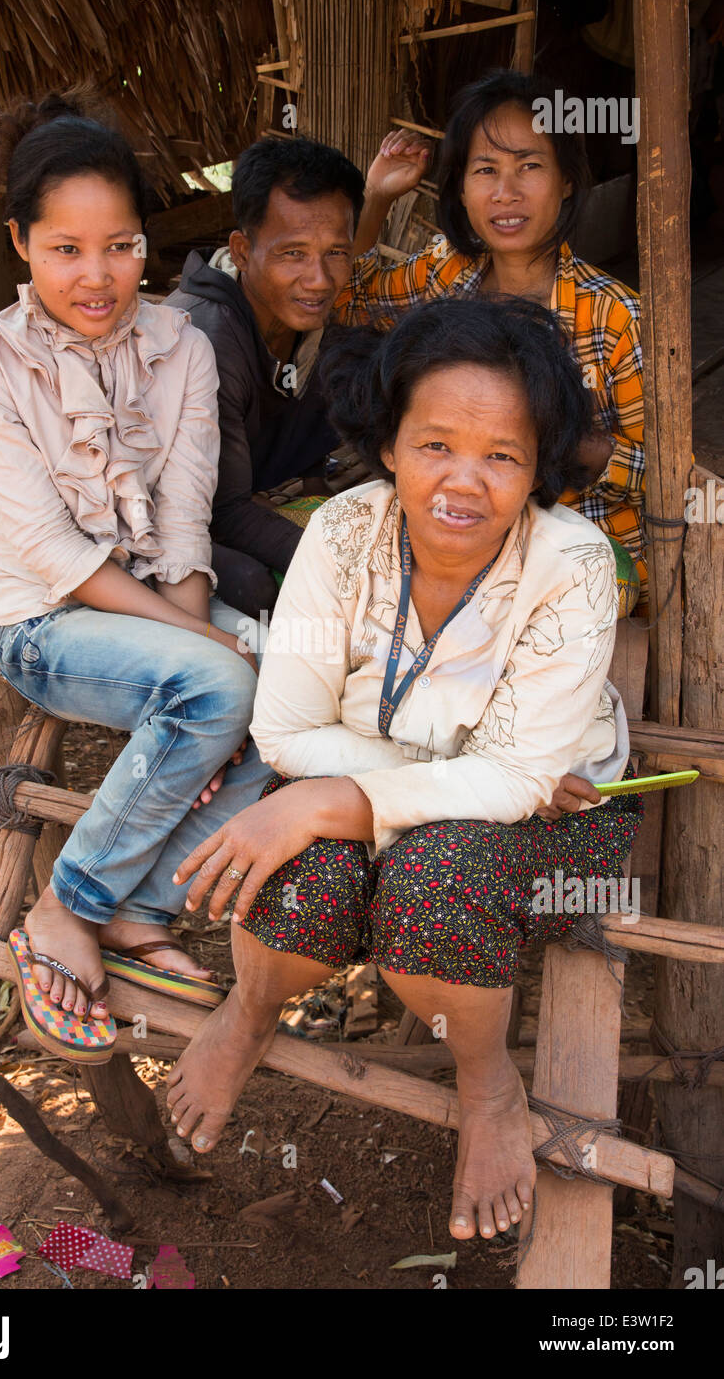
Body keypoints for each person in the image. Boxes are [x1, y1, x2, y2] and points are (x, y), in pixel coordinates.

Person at [165, 296, 644, 1242]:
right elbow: (287, 726)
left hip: (556, 822)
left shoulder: (576, 565)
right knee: (297, 880)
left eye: (502, 456)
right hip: (479, 790)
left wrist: (341, 795)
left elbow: (515, 790)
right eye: (435, 445)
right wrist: (411, 786)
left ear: (539, 465)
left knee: (431, 887)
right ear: (390, 445)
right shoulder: (342, 533)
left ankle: (488, 1085)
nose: (463, 481)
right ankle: (251, 1010)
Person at [0, 95, 273, 1062]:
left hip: (159, 601)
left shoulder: (184, 345)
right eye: (66, 250)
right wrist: (201, 648)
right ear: (21, 243)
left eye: (121, 245)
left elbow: (182, 516)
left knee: (300, 697)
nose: (97, 277)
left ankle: (136, 909)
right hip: (45, 623)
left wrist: (195, 628)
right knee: (221, 679)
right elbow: (50, 552)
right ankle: (62, 910)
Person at [334, 69, 646, 614]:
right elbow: (344, 294)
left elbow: (659, 477)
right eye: (486, 170)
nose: (506, 193)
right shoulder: (447, 273)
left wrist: (552, 432)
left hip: (580, 544)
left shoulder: (615, 315)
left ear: (566, 180)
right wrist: (376, 197)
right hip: (455, 522)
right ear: (460, 185)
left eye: (530, 166)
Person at [164, 137, 365, 619]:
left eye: (335, 252)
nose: (318, 279)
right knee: (254, 585)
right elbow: (223, 512)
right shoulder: (204, 338)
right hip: (176, 528)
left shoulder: (309, 325)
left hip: (253, 498)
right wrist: (353, 573)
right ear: (241, 250)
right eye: (293, 254)